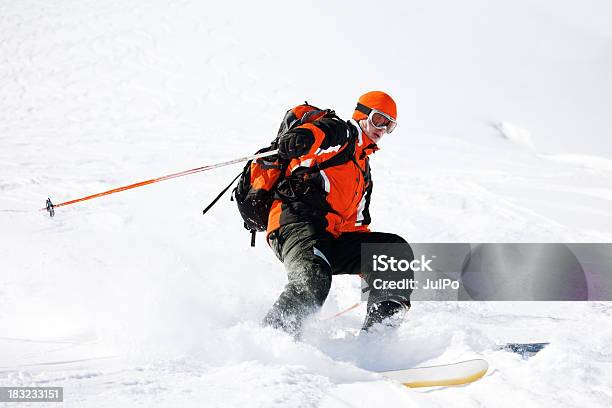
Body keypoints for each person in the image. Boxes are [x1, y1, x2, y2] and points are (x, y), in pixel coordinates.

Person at [263, 91, 413, 337]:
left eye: (390, 125)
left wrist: (374, 267)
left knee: (392, 250)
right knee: (314, 278)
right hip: (295, 224)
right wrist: (302, 136)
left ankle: (378, 339)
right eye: (378, 119)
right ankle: (271, 340)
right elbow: (322, 134)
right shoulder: (344, 134)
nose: (382, 129)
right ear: (362, 114)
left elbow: (356, 225)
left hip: (329, 237)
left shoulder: (362, 168)